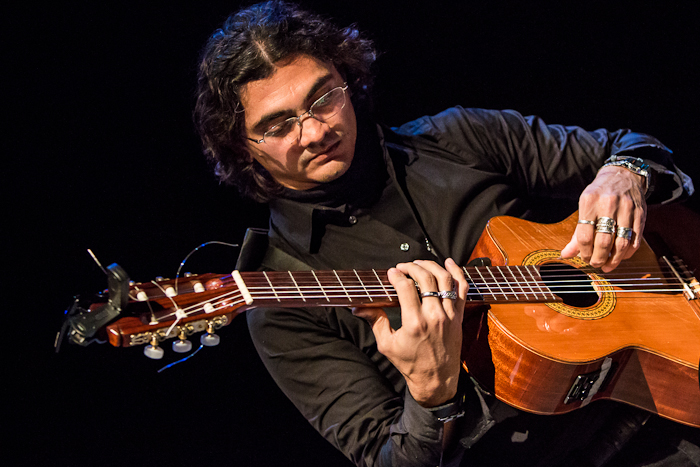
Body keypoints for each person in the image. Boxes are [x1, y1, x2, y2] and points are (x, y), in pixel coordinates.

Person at [194, 2, 697, 466]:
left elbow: (634, 148)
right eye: (279, 126)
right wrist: (430, 394)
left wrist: (624, 175)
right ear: (243, 149)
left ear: (348, 78)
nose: (315, 131)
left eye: (323, 97)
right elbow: (388, 459)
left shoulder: (457, 138)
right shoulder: (282, 303)